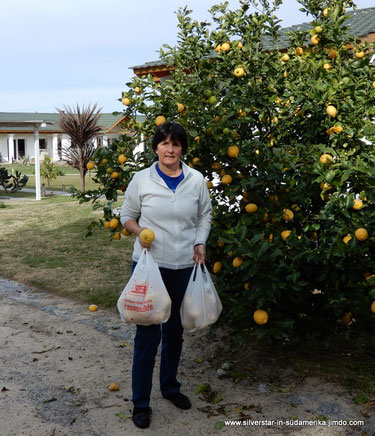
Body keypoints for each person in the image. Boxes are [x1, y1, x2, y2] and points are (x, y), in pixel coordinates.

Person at [120, 121, 212, 429]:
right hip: (149, 266)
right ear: (155, 147)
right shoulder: (142, 179)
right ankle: (141, 402)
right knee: (147, 335)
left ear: (183, 148)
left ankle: (170, 387)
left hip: (184, 265)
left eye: (175, 143)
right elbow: (126, 217)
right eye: (163, 143)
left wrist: (200, 241)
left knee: (174, 333)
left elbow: (204, 215)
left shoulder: (196, 180)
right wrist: (142, 231)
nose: (169, 149)